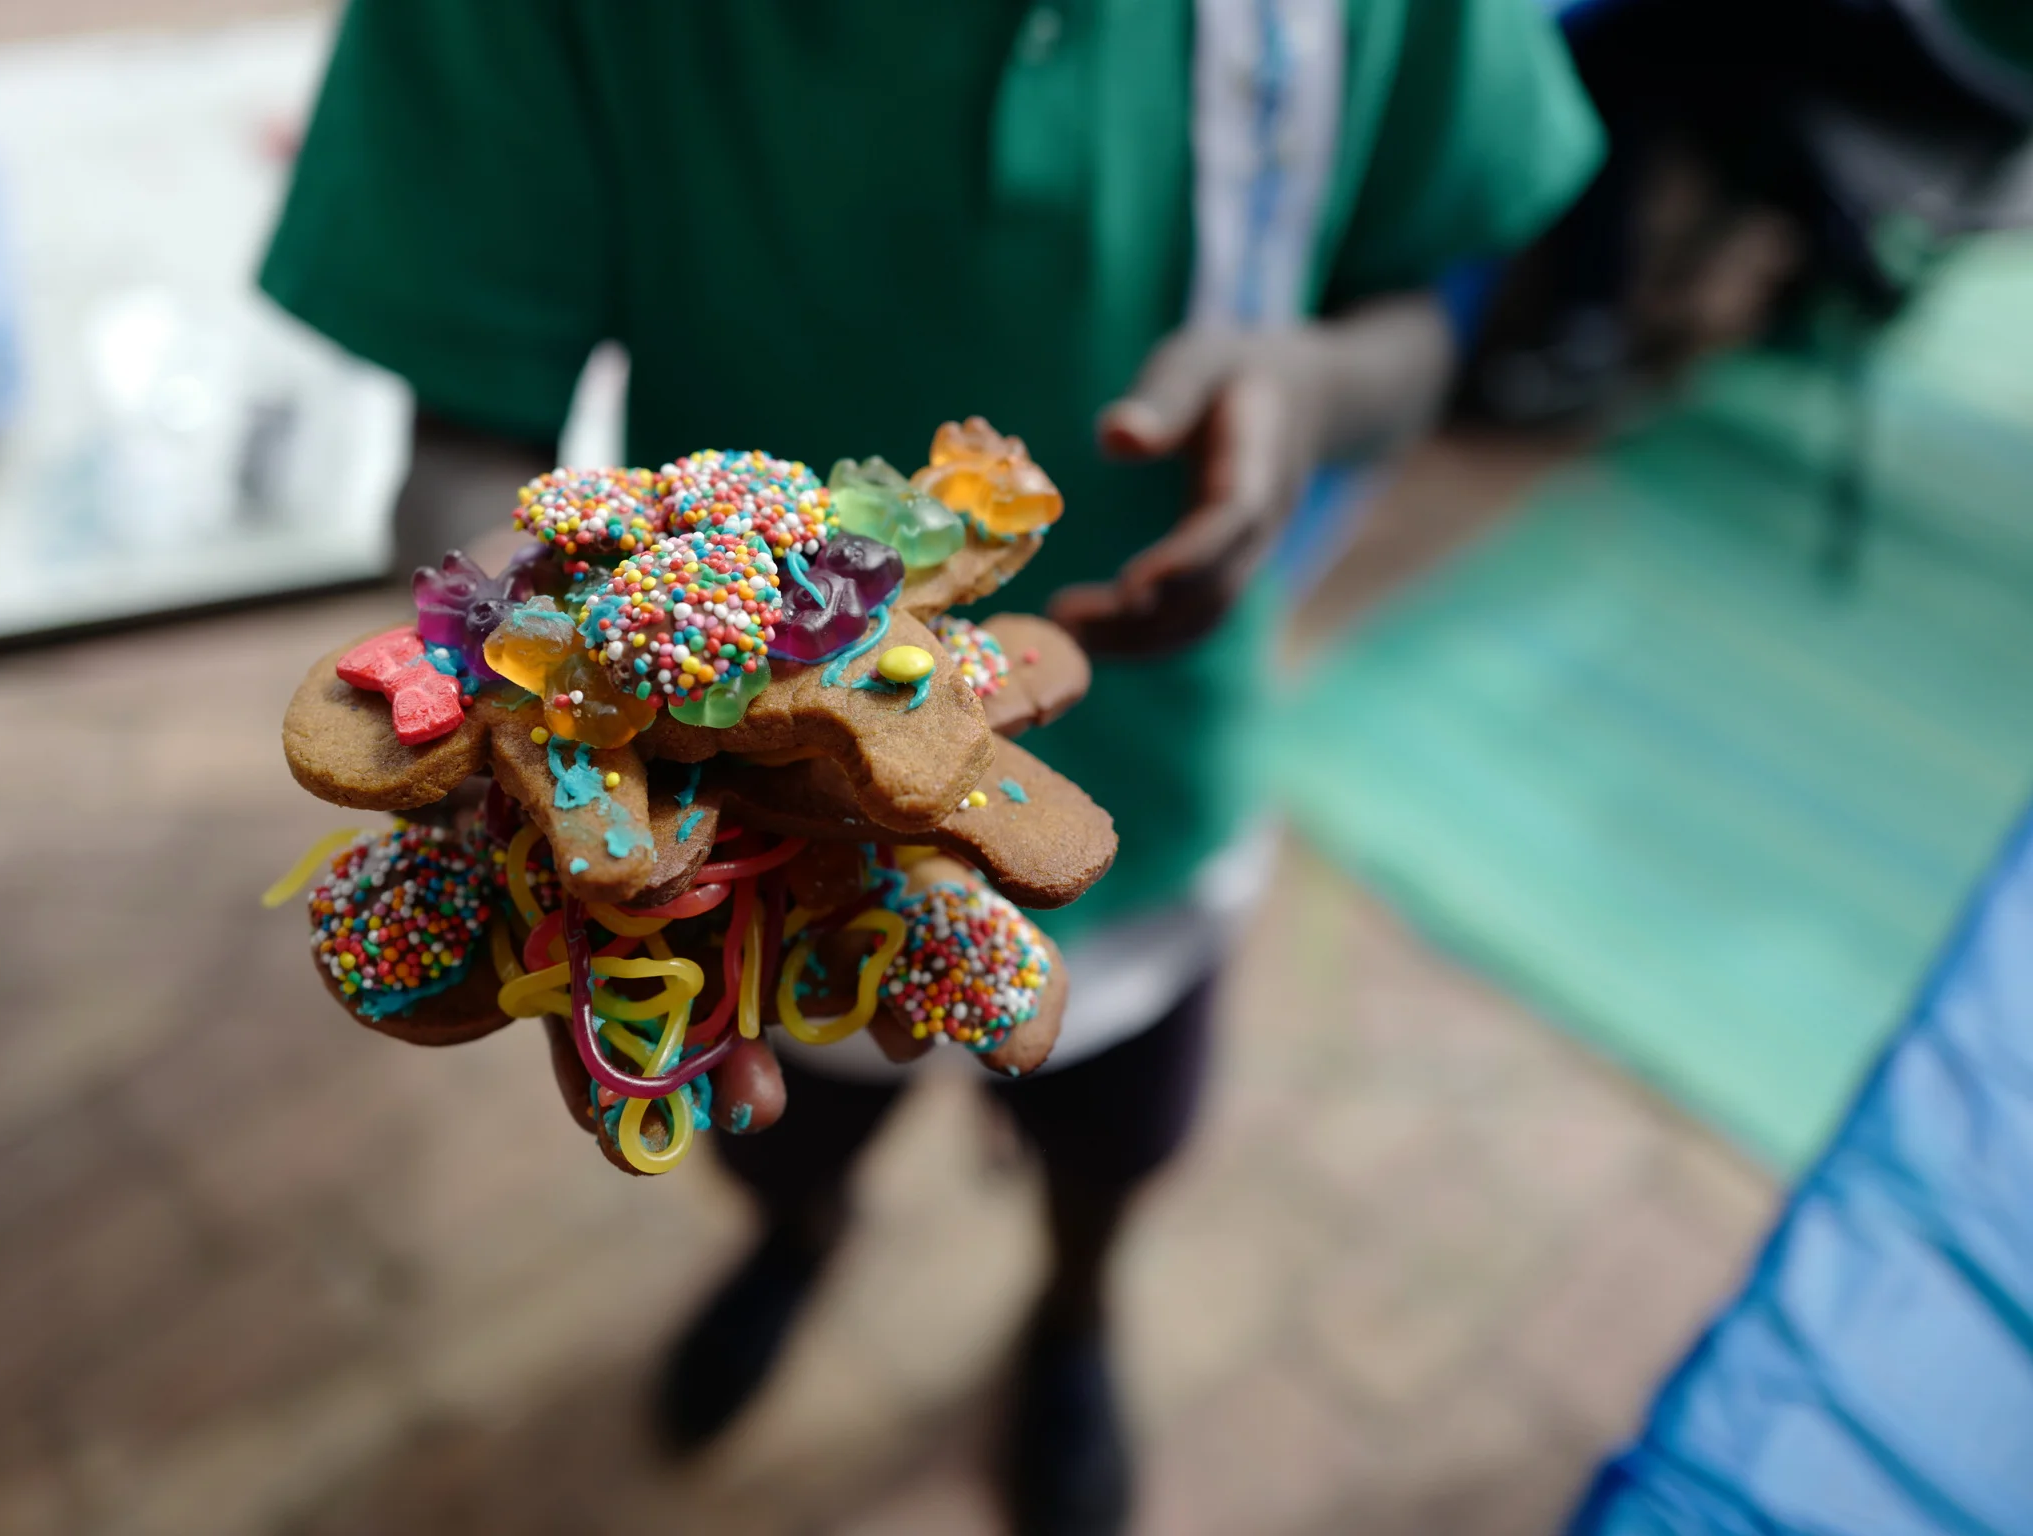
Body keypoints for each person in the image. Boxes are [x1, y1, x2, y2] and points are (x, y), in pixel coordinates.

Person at [262, 4, 1600, 1531]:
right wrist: (521, 659)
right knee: (777, 1140)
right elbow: (466, 425)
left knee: (1118, 1133)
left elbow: (1421, 323)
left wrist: (1313, 388)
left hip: (1158, 770)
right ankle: (800, 1241)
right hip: (734, 864)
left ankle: (1073, 1314)